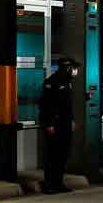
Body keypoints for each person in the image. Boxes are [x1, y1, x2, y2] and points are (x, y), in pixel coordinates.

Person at [38, 57, 78, 194]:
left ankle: (58, 182)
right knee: (52, 155)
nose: (74, 71)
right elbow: (45, 105)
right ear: (65, 67)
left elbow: (68, 106)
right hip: (54, 124)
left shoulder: (67, 82)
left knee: (63, 155)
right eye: (72, 68)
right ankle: (49, 184)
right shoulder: (51, 82)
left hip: (65, 124)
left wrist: (72, 120)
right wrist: (48, 124)